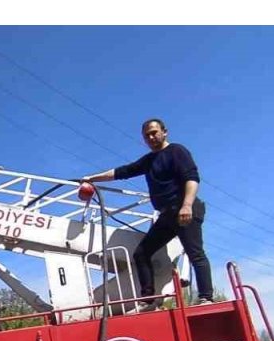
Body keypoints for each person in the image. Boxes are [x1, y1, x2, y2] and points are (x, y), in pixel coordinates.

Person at [83, 118, 212, 311]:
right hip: (166, 215)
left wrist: (187, 205)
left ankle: (206, 297)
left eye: (154, 132)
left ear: (164, 132)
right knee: (142, 253)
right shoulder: (149, 160)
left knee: (195, 253)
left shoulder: (176, 151)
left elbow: (192, 178)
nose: (151, 137)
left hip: (183, 208)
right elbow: (122, 172)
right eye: (147, 135)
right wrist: (92, 178)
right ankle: (148, 297)